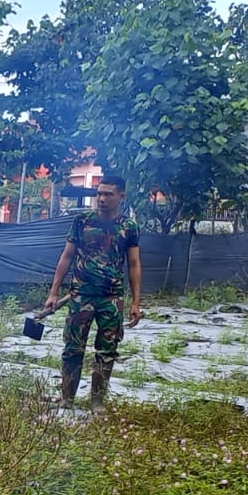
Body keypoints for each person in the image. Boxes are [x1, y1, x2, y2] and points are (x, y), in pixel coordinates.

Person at [44, 174, 143, 408]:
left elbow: (134, 264)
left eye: (108, 194)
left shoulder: (128, 227)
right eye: (99, 193)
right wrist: (54, 292)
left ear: (121, 196)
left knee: (107, 351)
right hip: (81, 296)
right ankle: (67, 399)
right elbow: (67, 256)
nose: (101, 199)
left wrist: (136, 302)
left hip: (111, 298)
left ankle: (97, 403)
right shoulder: (82, 221)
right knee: (73, 348)